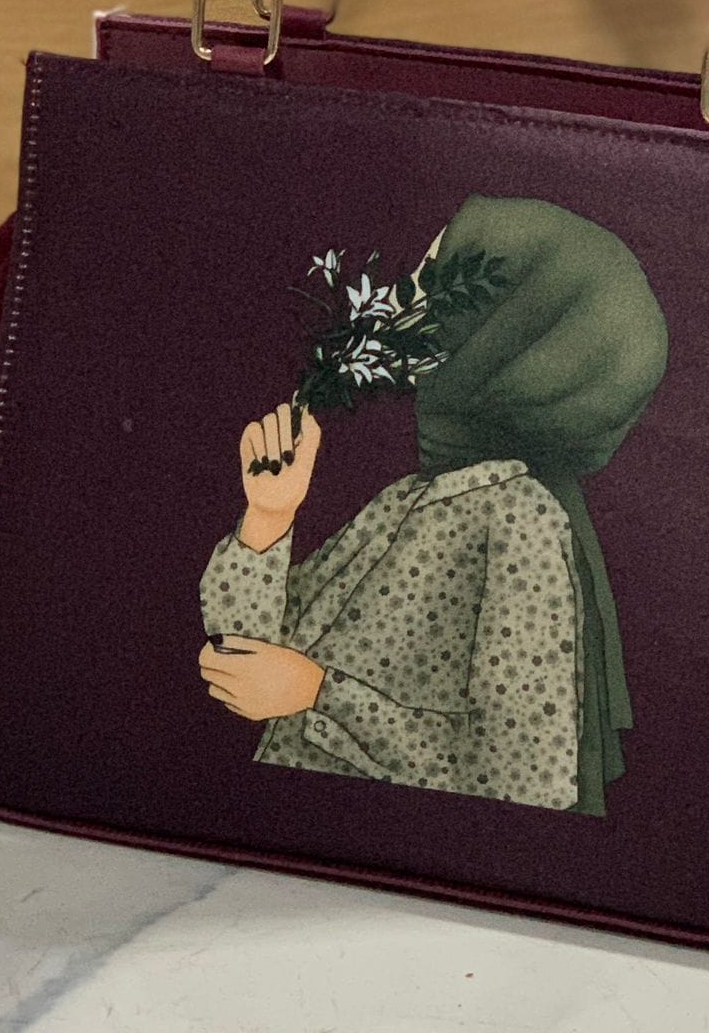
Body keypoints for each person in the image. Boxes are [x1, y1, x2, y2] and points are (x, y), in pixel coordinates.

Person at [198, 194, 668, 815]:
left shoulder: (520, 519)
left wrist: (318, 695)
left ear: (512, 332)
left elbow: (525, 781)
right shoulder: (416, 498)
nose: (397, 306)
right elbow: (249, 656)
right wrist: (268, 519)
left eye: (431, 288)